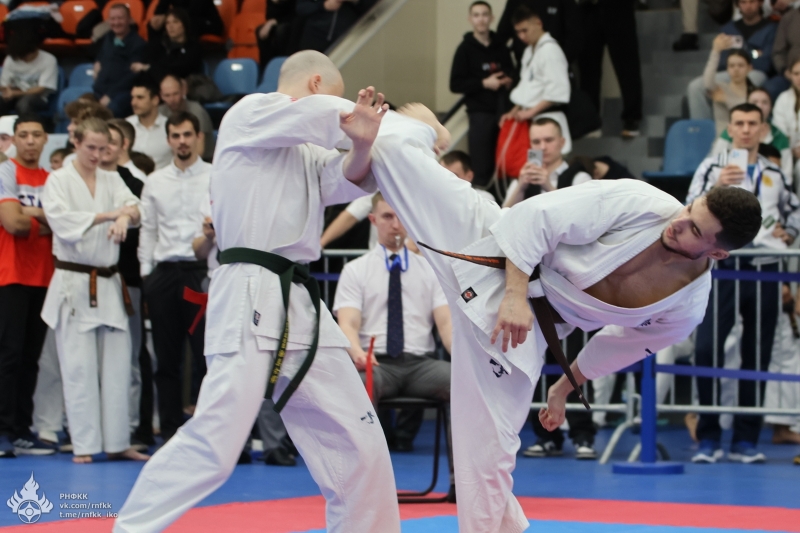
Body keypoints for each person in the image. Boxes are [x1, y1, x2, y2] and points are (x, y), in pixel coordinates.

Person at [362, 101, 762, 533]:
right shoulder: (642, 202)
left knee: (490, 449)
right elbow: (537, 217)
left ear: (717, 253)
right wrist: (515, 294)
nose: (679, 223)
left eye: (695, 231)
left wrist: (564, 387)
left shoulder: (685, 306)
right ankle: (396, 127)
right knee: (394, 154)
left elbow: (617, 346)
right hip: (491, 248)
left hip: (524, 332)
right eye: (689, 210)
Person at [114, 51, 401, 533]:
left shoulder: (306, 150)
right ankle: (131, 528)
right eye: (333, 95)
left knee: (360, 436)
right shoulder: (250, 113)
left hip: (300, 298)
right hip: (249, 286)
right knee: (218, 441)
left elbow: (348, 177)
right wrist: (375, 123)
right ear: (316, 84)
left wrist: (365, 142)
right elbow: (326, 117)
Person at [686, 103, 800, 464]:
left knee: (757, 352)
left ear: (763, 129)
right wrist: (716, 188)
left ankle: (746, 440)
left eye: (753, 123)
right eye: (739, 123)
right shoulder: (712, 167)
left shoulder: (774, 171)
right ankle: (708, 436)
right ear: (730, 128)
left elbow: (794, 210)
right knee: (707, 349)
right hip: (721, 266)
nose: (746, 129)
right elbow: (687, 207)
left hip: (764, 268)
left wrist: (789, 231)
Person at [40, 118, 147, 464]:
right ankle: (84, 444)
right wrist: (110, 214)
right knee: (78, 367)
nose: (97, 155)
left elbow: (137, 208)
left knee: (118, 365)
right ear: (75, 142)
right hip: (74, 282)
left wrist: (125, 217)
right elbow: (62, 222)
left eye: (103, 148)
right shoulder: (58, 180)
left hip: (109, 283)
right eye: (91, 148)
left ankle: (117, 442)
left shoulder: (111, 178)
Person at [334, 192, 452, 452]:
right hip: (376, 364)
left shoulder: (431, 270)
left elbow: (446, 325)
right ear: (373, 220)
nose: (396, 225)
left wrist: (466, 359)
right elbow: (347, 324)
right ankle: (364, 470)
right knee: (361, 383)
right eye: (387, 216)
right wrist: (357, 353)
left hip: (421, 365)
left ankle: (464, 475)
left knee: (462, 382)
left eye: (401, 217)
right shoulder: (355, 270)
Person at [137, 111, 211, 443]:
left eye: (187, 135)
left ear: (198, 137)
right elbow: (148, 230)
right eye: (176, 136)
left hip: (201, 271)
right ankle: (168, 432)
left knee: (207, 358)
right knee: (165, 359)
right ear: (168, 140)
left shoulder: (215, 176)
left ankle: (209, 433)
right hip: (164, 273)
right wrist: (147, 275)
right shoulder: (155, 181)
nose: (182, 141)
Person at [0, 115, 55, 457]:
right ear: (14, 139)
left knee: (31, 358)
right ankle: (2, 430)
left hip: (44, 275)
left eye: (36, 134)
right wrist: (42, 218)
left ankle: (21, 429)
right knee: (8, 355)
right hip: (10, 274)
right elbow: (12, 223)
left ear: (46, 138)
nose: (30, 141)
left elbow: (63, 223)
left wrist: (27, 214)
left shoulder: (53, 179)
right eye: (23, 135)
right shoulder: (5, 171)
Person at [100, 120, 149, 450]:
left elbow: (140, 232)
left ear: (123, 146)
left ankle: (130, 426)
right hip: (91, 277)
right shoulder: (84, 179)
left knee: (129, 357)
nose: (104, 149)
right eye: (99, 143)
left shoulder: (134, 182)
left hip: (127, 280)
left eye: (110, 143)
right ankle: (94, 428)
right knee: (93, 360)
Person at [449, 1, 515, 188]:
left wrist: (507, 80)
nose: (481, 19)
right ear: (470, 19)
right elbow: (455, 84)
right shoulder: (464, 49)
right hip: (480, 114)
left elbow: (511, 71)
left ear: (491, 18)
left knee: (504, 163)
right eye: (476, 15)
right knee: (481, 165)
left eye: (485, 14)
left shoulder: (501, 47)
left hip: (504, 113)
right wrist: (484, 83)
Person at [687, 0, 775, 121]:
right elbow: (722, 62)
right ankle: (702, 128)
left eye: (752, 1)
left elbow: (766, 63)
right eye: (743, 2)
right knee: (695, 87)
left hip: (755, 73)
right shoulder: (728, 29)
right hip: (729, 72)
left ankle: (749, 122)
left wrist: (739, 59)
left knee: (752, 78)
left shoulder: (771, 28)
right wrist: (754, 54)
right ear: (737, 5)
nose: (748, 6)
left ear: (760, 3)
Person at [500, 6, 572, 154]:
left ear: (538, 23)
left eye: (525, 30)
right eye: (518, 32)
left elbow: (558, 91)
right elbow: (527, 88)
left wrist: (530, 112)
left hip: (549, 118)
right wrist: (514, 111)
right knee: (534, 162)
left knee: (551, 161)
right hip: (531, 118)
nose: (521, 36)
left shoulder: (550, 50)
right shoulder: (529, 51)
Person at [577, 0, 643, 138]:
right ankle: (591, 121)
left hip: (617, 7)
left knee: (627, 64)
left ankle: (632, 118)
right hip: (587, 7)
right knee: (588, 69)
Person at [502, 117, 591, 208]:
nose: (542, 147)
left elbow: (582, 213)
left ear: (562, 142)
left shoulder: (580, 179)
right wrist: (520, 187)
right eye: (536, 142)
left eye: (548, 140)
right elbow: (503, 214)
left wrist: (549, 187)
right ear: (530, 145)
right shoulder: (521, 180)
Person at [711, 88, 793, 179]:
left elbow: (787, 176)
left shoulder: (780, 137)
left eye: (764, 102)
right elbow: (715, 159)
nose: (760, 106)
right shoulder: (728, 134)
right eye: (754, 102)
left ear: (771, 107)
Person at [92, 4, 147, 117]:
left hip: (121, 93)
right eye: (112, 19)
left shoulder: (138, 44)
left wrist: (110, 96)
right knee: (80, 106)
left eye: (120, 18)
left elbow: (132, 76)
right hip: (99, 90)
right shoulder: (108, 37)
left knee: (111, 109)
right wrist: (97, 62)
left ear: (129, 20)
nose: (116, 23)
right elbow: (101, 56)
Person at [763, 284, 800, 444]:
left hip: (782, 291)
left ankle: (784, 426)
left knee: (788, 358)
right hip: (780, 295)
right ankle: (782, 427)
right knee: (785, 358)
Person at [496, 0, 582, 65]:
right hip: (525, 62)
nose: (522, 36)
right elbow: (503, 34)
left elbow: (575, 37)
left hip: (555, 61)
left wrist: (559, 61)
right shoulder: (515, 2)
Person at [134, 8, 204, 83]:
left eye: (175, 22)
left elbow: (178, 70)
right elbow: (147, 59)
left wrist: (148, 68)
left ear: (184, 24)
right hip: (155, 84)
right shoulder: (161, 44)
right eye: (167, 23)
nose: (170, 26)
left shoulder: (193, 47)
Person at [0, 31, 58, 116]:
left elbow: (41, 89)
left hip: (37, 97)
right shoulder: (11, 59)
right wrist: (6, 90)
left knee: (24, 104)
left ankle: (26, 124)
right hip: (13, 94)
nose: (22, 59)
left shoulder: (49, 60)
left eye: (24, 56)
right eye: (19, 56)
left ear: (35, 50)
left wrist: (16, 93)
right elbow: (4, 85)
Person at [158, 75, 214, 161]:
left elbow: (199, 150)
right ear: (161, 95)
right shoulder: (160, 111)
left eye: (175, 94)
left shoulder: (197, 111)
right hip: (172, 162)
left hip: (204, 161)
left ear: (183, 91)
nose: (172, 99)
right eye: (167, 95)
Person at [703, 46, 754, 135]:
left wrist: (726, 100)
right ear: (727, 68)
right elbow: (707, 83)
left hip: (748, 138)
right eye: (731, 66)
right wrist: (716, 51)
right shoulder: (720, 89)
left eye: (741, 65)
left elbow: (749, 114)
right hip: (723, 139)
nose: (736, 69)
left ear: (749, 68)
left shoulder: (755, 93)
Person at [296, 0, 378, 53]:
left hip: (348, 41)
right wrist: (324, 5)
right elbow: (301, 7)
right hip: (314, 39)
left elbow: (377, 9)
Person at [126, 77, 171, 170]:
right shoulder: (127, 125)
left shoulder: (170, 127)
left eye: (140, 98)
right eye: (133, 97)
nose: (133, 103)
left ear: (155, 100)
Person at [772, 58, 800, 182]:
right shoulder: (783, 99)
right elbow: (780, 132)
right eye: (796, 73)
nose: (799, 77)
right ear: (790, 75)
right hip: (788, 152)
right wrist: (793, 149)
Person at [766, 5, 800, 102]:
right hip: (791, 74)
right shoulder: (789, 17)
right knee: (771, 88)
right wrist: (785, 70)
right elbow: (778, 52)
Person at [149, 0, 224, 39]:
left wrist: (168, 16)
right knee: (153, 24)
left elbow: (192, 12)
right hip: (184, 18)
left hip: (209, 23)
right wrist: (161, 17)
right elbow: (159, 10)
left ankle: (187, 55)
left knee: (189, 23)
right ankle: (154, 56)